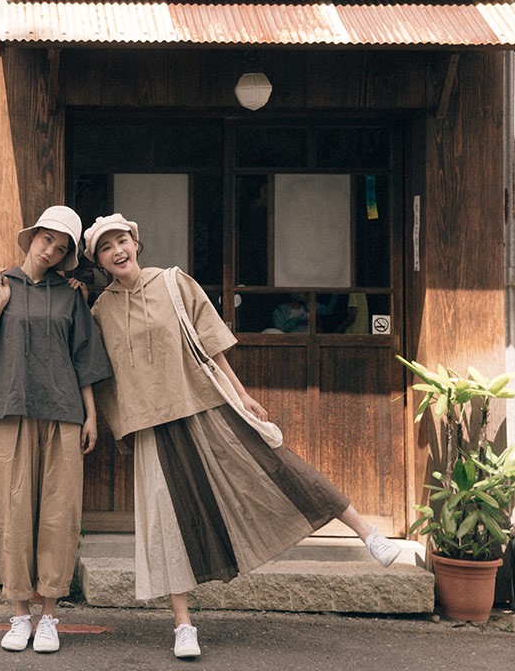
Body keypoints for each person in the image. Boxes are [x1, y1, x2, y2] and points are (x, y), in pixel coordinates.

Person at [82, 213, 400, 660]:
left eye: (121, 241)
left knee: (276, 465)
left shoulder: (174, 282)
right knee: (166, 523)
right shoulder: (101, 311)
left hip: (206, 402)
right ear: (98, 262)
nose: (117, 251)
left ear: (136, 243)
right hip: (152, 423)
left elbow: (212, 345)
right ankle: (183, 625)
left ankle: (368, 535)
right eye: (105, 247)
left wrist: (242, 394)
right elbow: (95, 369)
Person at [0, 206, 112, 654]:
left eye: (62, 248)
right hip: (10, 409)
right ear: (33, 237)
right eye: (48, 240)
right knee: (13, 511)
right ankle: (20, 614)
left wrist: (91, 416)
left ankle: (49, 616)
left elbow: (84, 358)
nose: (51, 251)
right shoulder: (0, 284)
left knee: (59, 514)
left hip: (63, 412)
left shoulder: (70, 295)